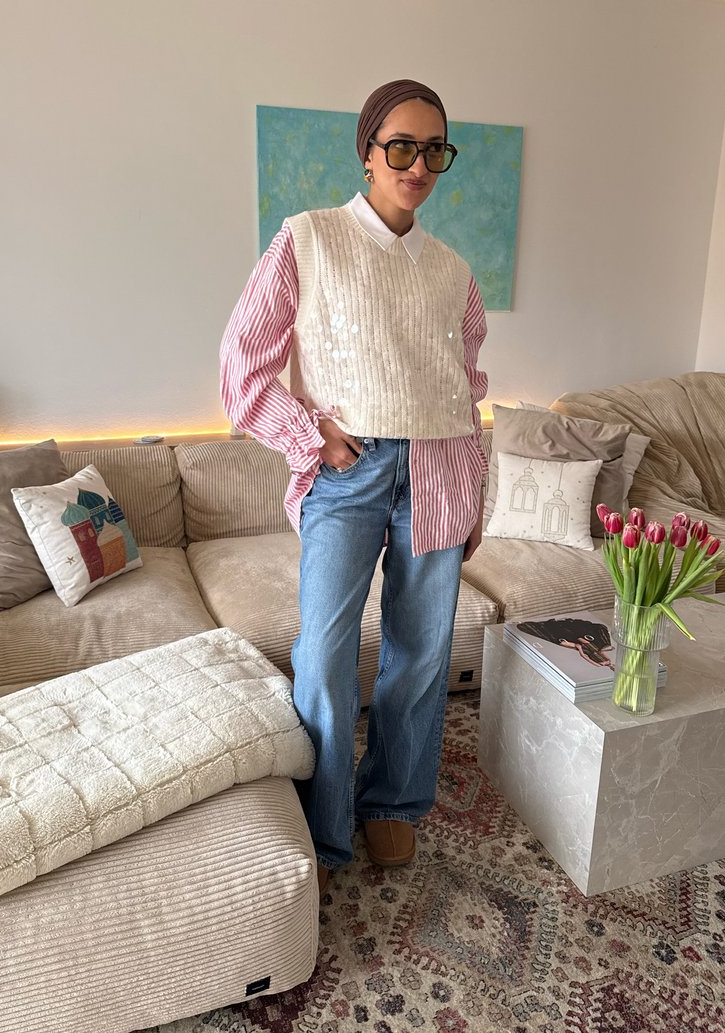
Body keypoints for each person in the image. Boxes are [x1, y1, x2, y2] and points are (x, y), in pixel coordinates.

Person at [220, 79, 488, 895]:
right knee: (327, 650)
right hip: (348, 466)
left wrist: (474, 490)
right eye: (400, 146)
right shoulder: (308, 238)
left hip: (440, 466)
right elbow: (242, 365)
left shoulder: (451, 270)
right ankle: (323, 810)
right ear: (368, 151)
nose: (417, 164)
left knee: (421, 651)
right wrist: (310, 435)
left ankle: (394, 802)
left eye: (433, 149)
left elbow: (468, 381)